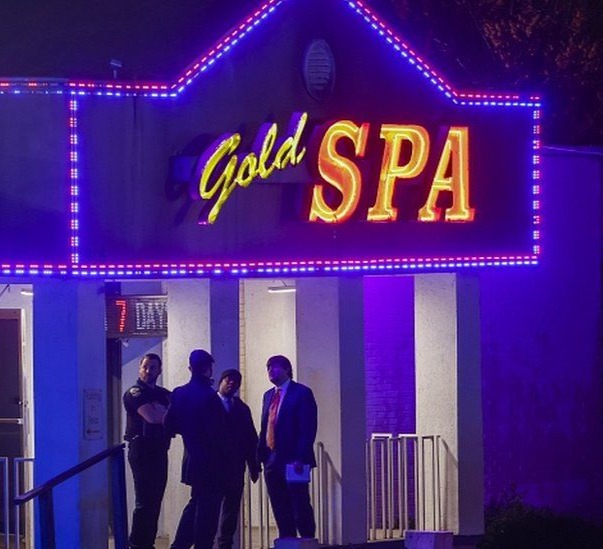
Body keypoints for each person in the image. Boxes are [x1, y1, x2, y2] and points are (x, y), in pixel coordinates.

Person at [165, 349, 228, 549]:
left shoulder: (179, 393)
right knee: (208, 510)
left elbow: (169, 424)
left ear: (190, 368)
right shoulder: (210, 396)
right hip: (212, 460)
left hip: (192, 457)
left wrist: (188, 431)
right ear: (208, 369)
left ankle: (180, 545)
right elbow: (219, 432)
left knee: (195, 503)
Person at [257, 355, 318, 539]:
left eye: (275, 367)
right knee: (279, 503)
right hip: (271, 459)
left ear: (287, 369)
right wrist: (261, 456)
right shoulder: (268, 395)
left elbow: (307, 428)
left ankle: (307, 539)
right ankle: (287, 539)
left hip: (294, 460)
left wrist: (300, 457)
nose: (270, 371)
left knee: (299, 502)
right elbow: (265, 426)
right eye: (268, 367)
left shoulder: (301, 393)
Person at [123, 353, 171, 549]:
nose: (148, 371)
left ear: (159, 370)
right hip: (141, 451)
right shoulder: (134, 393)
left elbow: (176, 416)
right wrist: (163, 413)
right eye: (145, 367)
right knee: (144, 502)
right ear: (139, 368)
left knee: (156, 500)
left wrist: (163, 412)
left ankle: (148, 543)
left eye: (153, 368)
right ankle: (136, 544)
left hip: (160, 450)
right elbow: (152, 417)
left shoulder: (164, 394)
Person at [215, 369, 261, 549]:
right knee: (210, 508)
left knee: (231, 509)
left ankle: (225, 544)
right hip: (213, 467)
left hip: (235, 466)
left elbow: (250, 438)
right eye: (228, 380)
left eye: (236, 381)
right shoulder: (209, 404)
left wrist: (254, 465)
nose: (232, 384)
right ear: (220, 381)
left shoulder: (241, 408)